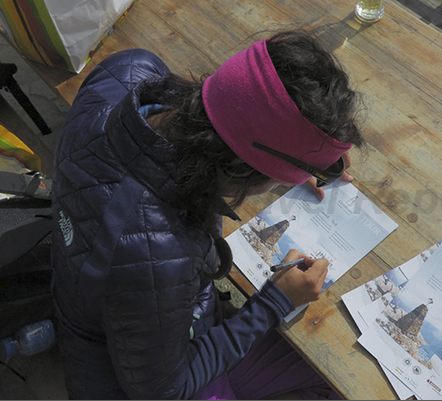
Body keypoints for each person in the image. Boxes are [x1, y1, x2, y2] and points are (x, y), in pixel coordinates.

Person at [51, 30, 363, 399]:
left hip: (109, 311)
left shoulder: (129, 70)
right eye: (278, 178)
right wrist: (275, 303)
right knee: (334, 386)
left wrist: (299, 155)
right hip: (125, 378)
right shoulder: (160, 250)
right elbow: (166, 390)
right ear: (247, 169)